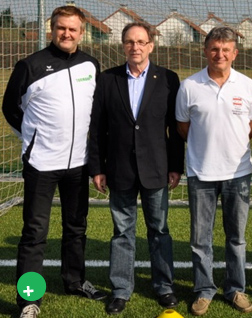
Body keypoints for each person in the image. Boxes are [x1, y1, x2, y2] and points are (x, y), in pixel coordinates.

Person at [1, 5, 105, 318]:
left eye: (73, 29)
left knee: (76, 227)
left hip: (78, 164)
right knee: (35, 234)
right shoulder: (30, 65)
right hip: (41, 165)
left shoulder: (90, 64)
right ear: (52, 29)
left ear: (81, 32)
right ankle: (29, 300)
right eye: (61, 28)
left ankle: (74, 280)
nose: (66, 34)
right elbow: (10, 108)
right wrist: (32, 139)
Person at [88, 22, 184, 315]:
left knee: (159, 230)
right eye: (130, 42)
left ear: (151, 45)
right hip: (119, 169)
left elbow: (175, 129)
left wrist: (176, 166)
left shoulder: (168, 79)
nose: (136, 47)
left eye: (141, 42)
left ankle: (164, 286)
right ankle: (121, 289)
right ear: (123, 45)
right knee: (122, 232)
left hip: (156, 167)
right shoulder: (107, 80)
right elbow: (97, 129)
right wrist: (97, 168)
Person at [175, 26, 252, 316]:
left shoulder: (248, 85)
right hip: (201, 173)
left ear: (234, 53)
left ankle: (236, 289)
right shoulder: (189, 86)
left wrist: (230, 146)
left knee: (236, 237)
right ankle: (203, 289)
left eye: (225, 49)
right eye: (214, 48)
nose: (219, 54)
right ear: (205, 50)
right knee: (201, 240)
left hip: (238, 173)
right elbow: (183, 128)